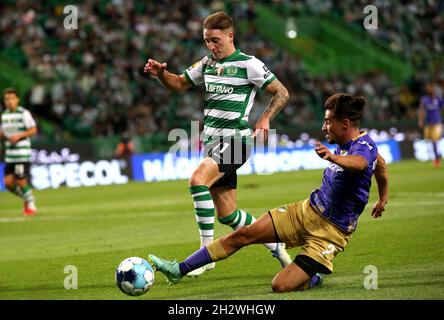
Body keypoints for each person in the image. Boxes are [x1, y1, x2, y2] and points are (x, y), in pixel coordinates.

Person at [148, 93, 389, 292]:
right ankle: (179, 269)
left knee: (280, 286)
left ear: (344, 124)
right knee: (244, 235)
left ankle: (311, 276)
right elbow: (381, 166)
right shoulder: (355, 147)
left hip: (330, 233)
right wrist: (383, 197)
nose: (323, 126)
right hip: (306, 212)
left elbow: (359, 163)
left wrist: (333, 157)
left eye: (328, 121)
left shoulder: (362, 147)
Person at [143, 11, 292, 276]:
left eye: (215, 40)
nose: (211, 46)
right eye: (207, 41)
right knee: (228, 215)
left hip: (236, 141)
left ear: (230, 36)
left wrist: (266, 117)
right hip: (212, 143)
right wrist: (161, 74)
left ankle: (205, 256)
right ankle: (276, 245)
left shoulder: (250, 64)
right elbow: (178, 84)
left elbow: (282, 92)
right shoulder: (207, 64)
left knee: (197, 180)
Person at [0, 88, 38, 215]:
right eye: (7, 99)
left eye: (12, 98)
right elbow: (3, 133)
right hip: (10, 155)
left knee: (21, 181)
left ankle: (31, 205)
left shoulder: (23, 113)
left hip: (22, 154)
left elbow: (33, 130)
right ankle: (28, 197)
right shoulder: (4, 115)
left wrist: (20, 136)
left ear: (17, 99)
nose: (9, 101)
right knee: (8, 183)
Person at [418, 82, 443, 168]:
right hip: (428, 124)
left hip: (437, 123)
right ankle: (434, 157)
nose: (429, 90)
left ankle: (436, 158)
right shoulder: (424, 99)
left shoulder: (438, 99)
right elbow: (421, 110)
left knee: (435, 140)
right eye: (427, 88)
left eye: (430, 88)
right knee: (430, 141)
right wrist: (421, 120)